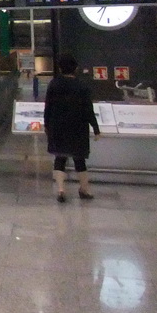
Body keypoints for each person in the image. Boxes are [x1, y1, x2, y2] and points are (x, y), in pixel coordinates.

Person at [44, 54, 101, 202]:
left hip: (58, 126)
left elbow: (48, 107)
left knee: (60, 157)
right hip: (78, 127)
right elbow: (88, 109)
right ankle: (84, 189)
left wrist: (47, 125)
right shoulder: (82, 86)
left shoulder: (54, 84)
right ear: (75, 68)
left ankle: (61, 189)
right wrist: (95, 128)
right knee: (79, 159)